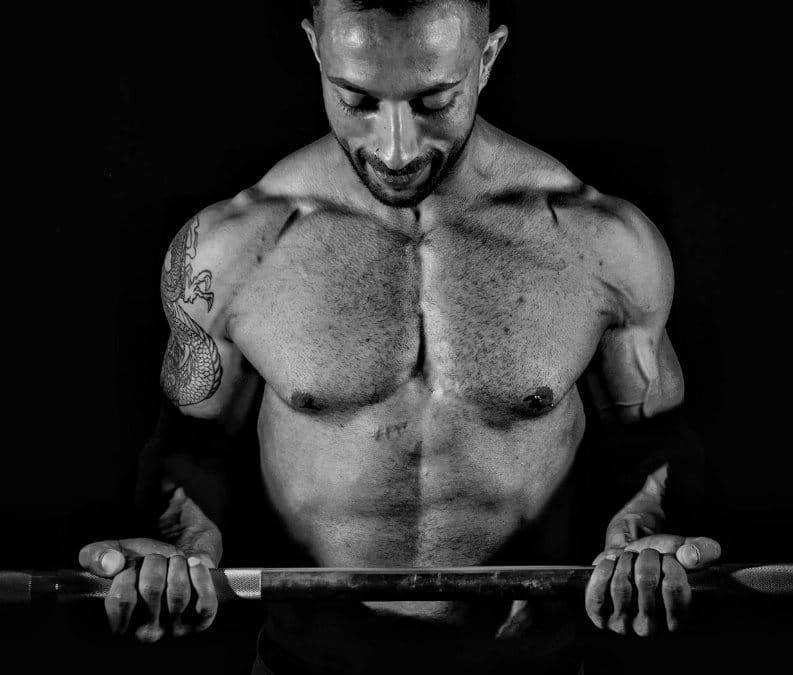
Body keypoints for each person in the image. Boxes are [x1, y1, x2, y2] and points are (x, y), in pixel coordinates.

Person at [77, 0, 720, 672]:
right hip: (309, 666)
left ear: (488, 59)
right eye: (355, 98)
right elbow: (190, 445)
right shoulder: (228, 249)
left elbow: (651, 442)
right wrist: (175, 547)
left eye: (434, 99)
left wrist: (643, 536)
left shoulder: (600, 242)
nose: (395, 148)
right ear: (316, 50)